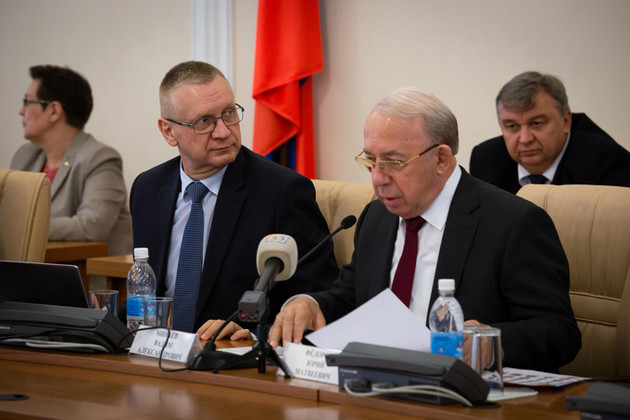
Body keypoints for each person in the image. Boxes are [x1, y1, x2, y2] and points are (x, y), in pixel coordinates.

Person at [268, 88, 581, 372]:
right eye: (371, 160)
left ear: (441, 159)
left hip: (464, 395)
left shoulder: (513, 223)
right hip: (376, 386)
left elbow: (560, 333)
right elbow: (350, 299)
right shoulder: (377, 216)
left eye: (393, 162)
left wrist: (488, 343)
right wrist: (309, 303)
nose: (378, 179)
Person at [129, 61, 338, 338]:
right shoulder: (147, 189)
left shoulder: (282, 192)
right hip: (154, 349)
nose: (224, 131)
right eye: (204, 121)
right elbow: (145, 288)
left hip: (231, 354)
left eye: (229, 113)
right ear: (168, 131)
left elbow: (317, 299)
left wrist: (252, 334)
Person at [11, 65, 132, 256]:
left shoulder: (100, 158)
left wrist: (22, 227)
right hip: (31, 267)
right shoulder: (25, 156)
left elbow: (91, 226)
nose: (20, 111)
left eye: (27, 102)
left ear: (54, 111)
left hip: (84, 273)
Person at [470, 71, 630, 194]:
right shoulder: (486, 161)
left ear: (566, 121)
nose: (525, 139)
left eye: (537, 123)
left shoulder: (606, 162)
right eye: (512, 126)